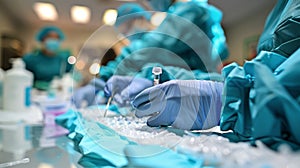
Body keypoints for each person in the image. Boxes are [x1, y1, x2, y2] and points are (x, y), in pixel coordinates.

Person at [132, 0, 300, 150]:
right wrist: (166, 78)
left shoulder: (192, 10)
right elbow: (267, 75)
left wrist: (227, 98)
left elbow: (282, 91)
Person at [74, 0, 228, 108]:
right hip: (189, 93)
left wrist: (104, 78)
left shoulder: (191, 11)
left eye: (127, 28)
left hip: (204, 93)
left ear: (141, 19)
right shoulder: (173, 16)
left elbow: (149, 50)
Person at [23, 26, 73, 90]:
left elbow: (70, 75)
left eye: (56, 38)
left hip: (57, 95)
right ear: (42, 39)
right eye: (50, 37)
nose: (53, 40)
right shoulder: (31, 59)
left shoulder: (63, 60)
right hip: (34, 93)